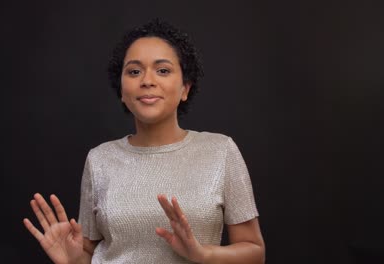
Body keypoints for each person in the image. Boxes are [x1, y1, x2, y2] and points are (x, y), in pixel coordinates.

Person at [23, 19, 265, 264]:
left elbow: (255, 252)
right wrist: (73, 260)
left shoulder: (220, 151)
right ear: (121, 91)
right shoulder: (100, 160)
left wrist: (203, 255)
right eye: (134, 71)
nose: (147, 80)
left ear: (185, 88)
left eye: (163, 70)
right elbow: (88, 252)